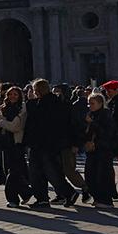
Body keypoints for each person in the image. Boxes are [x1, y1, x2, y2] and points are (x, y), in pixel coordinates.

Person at [24, 79, 77, 209]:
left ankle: (60, 194)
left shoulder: (43, 103)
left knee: (43, 171)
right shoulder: (56, 101)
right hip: (50, 143)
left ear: (37, 91)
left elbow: (36, 118)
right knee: (46, 171)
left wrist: (30, 101)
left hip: (42, 143)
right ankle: (49, 197)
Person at [0, 86, 30, 208]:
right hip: (5, 143)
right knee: (8, 170)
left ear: (20, 96)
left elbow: (15, 127)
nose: (12, 96)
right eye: (10, 94)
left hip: (17, 143)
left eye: (15, 94)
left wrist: (2, 123)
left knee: (13, 172)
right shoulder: (2, 108)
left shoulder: (22, 108)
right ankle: (26, 192)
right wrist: (1, 124)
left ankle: (12, 199)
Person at [83, 92, 117, 209]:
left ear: (100, 103)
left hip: (103, 148)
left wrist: (92, 123)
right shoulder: (91, 114)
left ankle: (105, 200)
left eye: (92, 103)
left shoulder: (106, 115)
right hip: (92, 149)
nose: (90, 106)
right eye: (89, 103)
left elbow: (107, 132)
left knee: (102, 175)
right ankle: (97, 197)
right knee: (90, 174)